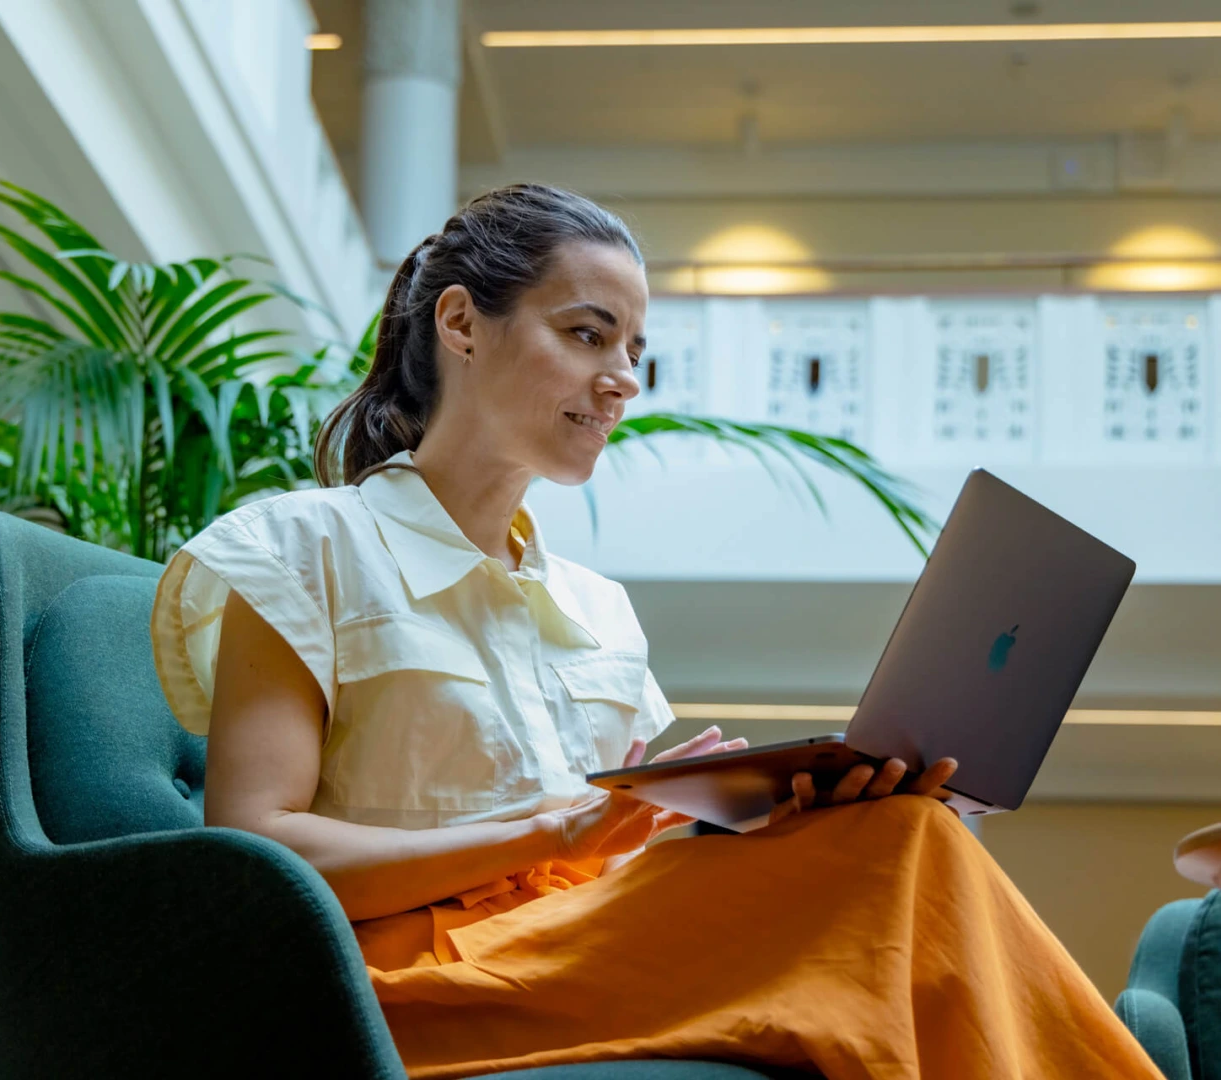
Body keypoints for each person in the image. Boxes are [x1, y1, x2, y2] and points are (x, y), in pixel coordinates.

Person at [150, 184, 1162, 1079]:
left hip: (585, 947)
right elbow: (257, 849)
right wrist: (554, 833)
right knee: (893, 870)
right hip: (407, 988)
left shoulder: (598, 610)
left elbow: (614, 861)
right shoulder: (297, 548)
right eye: (587, 335)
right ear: (459, 322)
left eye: (634, 349)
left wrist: (747, 813)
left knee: (897, 826)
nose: (624, 377)